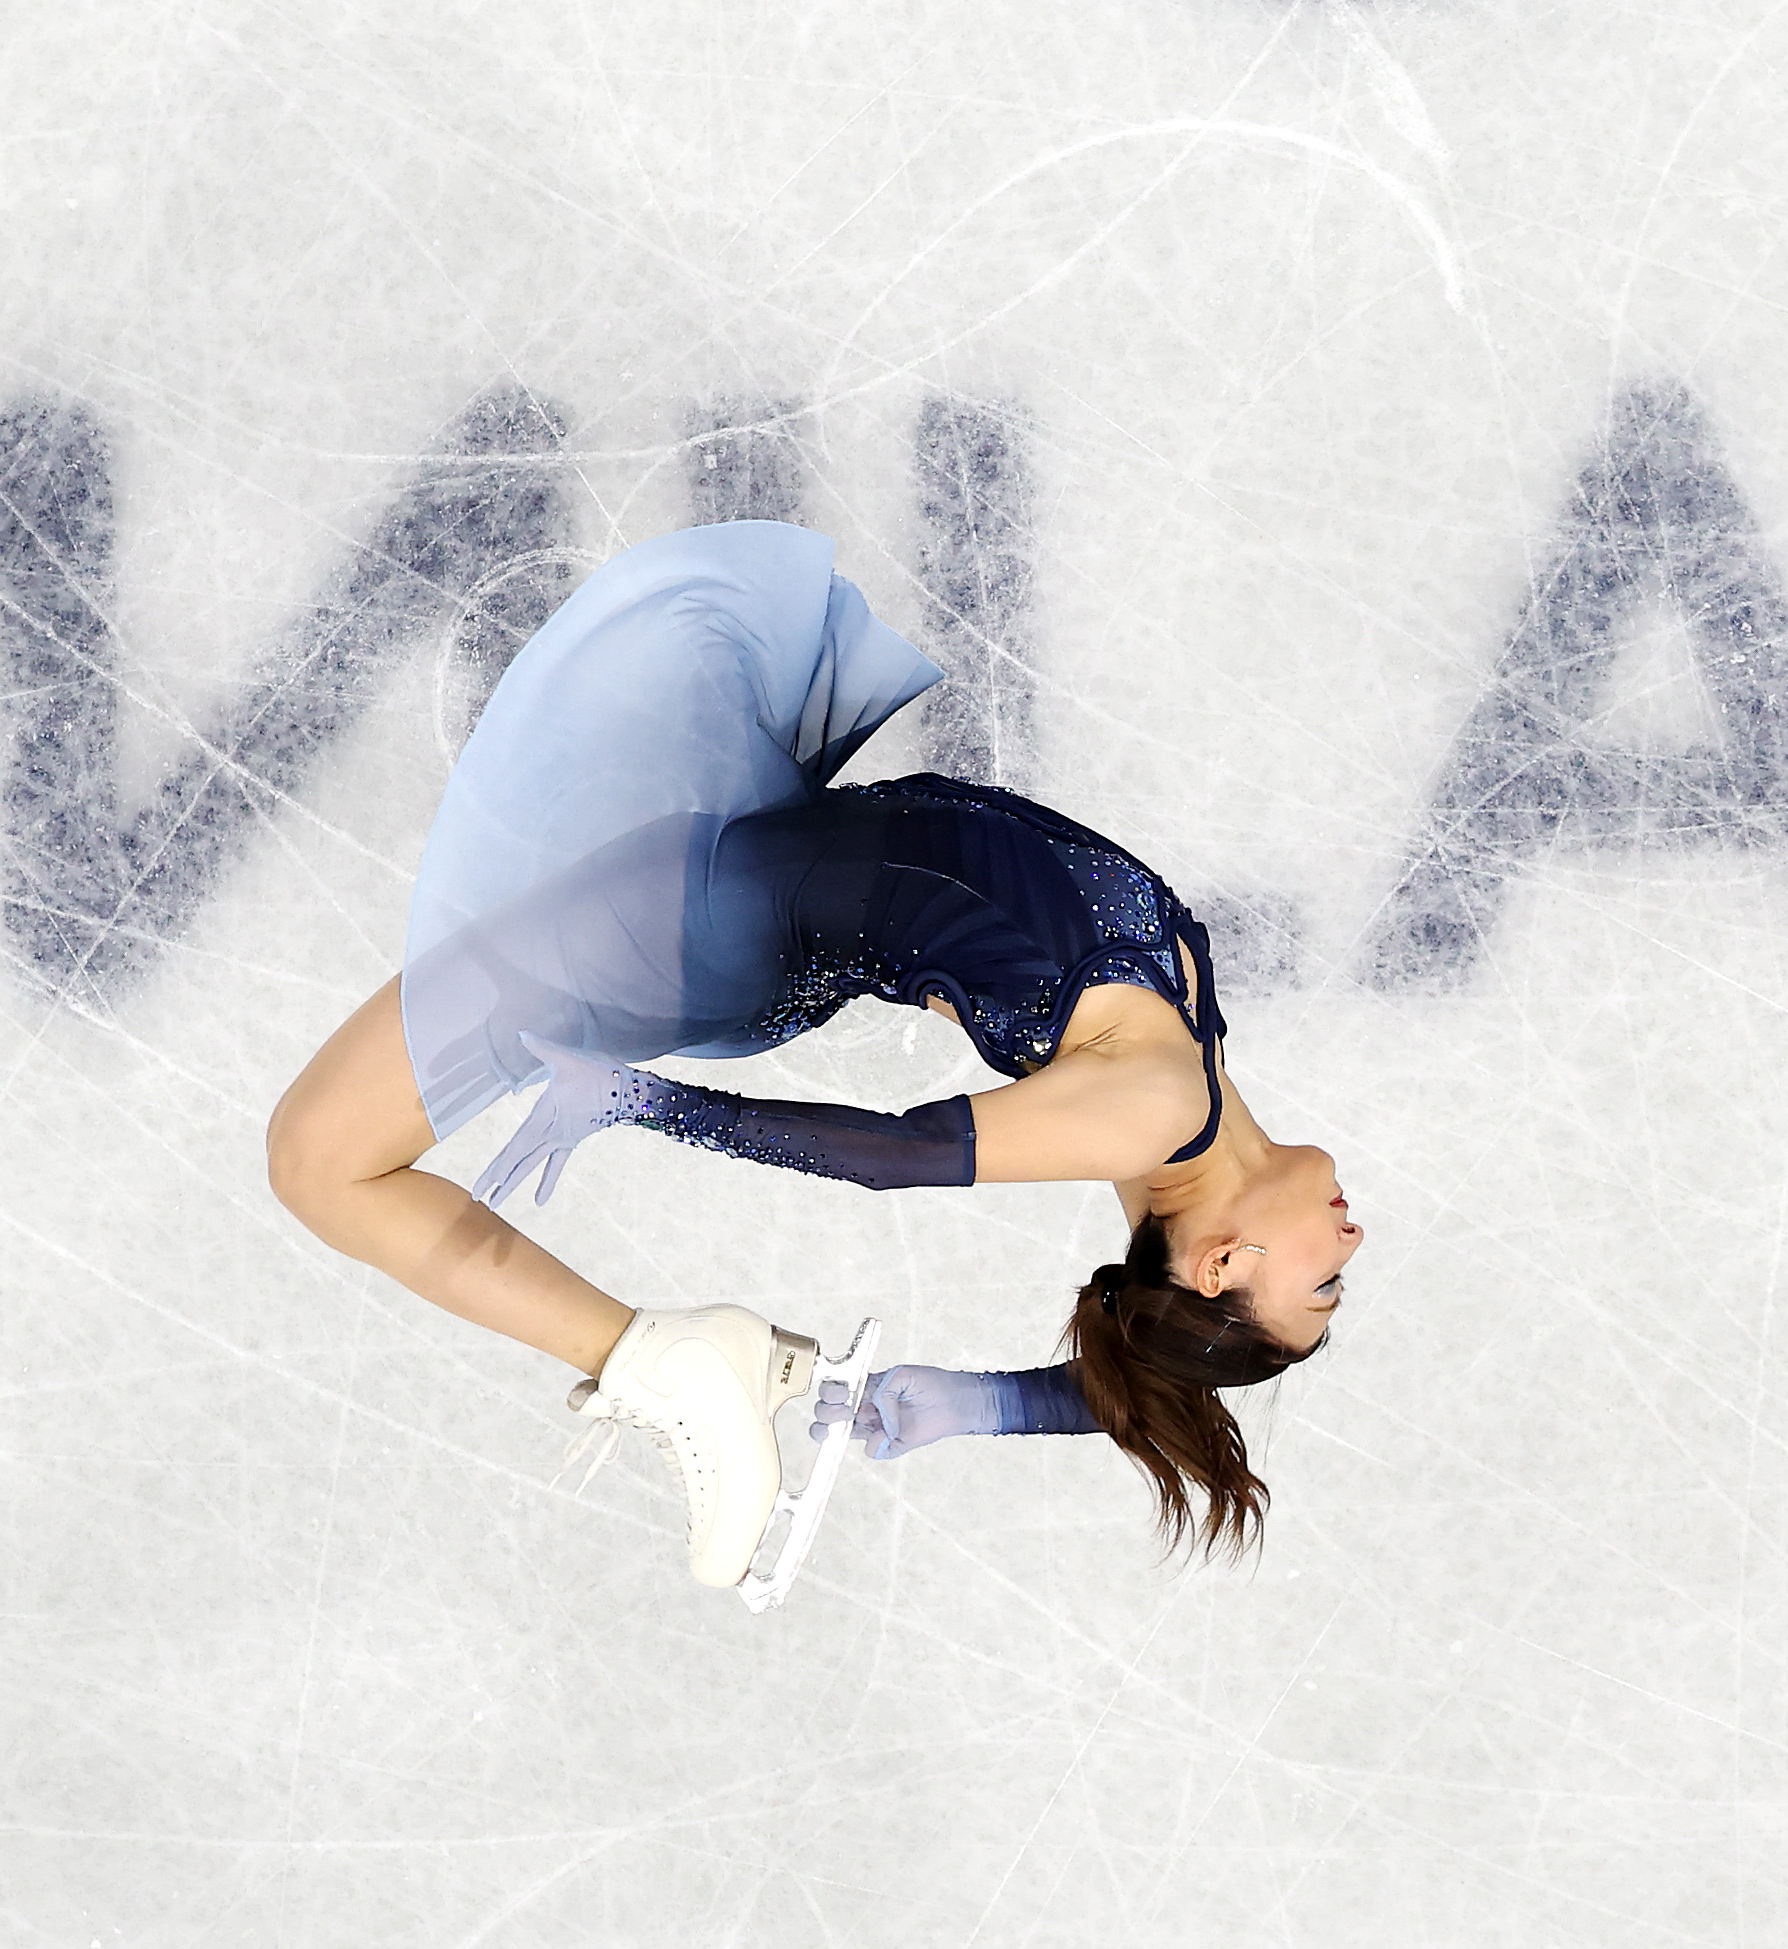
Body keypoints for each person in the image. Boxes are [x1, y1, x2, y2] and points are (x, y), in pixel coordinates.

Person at [266, 522, 1362, 1589]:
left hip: (700, 924)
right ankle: (668, 1357)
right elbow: (1155, 1343)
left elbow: (890, 1154)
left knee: (319, 1159)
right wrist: (978, 1401)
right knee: (328, 1149)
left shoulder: (1152, 1112)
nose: (1348, 1240)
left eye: (1323, 1279)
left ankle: (661, 1361)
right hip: (753, 881)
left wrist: (650, 1100)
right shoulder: (1184, 1102)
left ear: (1224, 1261)